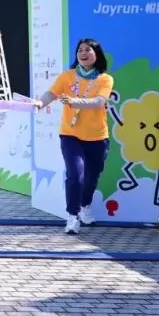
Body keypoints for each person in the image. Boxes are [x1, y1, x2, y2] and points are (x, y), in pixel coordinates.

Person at [32, 38, 114, 235]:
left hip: (97, 137)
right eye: (80, 50)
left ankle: (85, 205)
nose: (83, 53)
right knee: (75, 175)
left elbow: (98, 102)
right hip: (70, 135)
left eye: (88, 50)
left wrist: (74, 101)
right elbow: (51, 94)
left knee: (91, 178)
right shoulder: (67, 76)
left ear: (96, 54)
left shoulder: (105, 79)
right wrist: (39, 104)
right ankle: (72, 216)